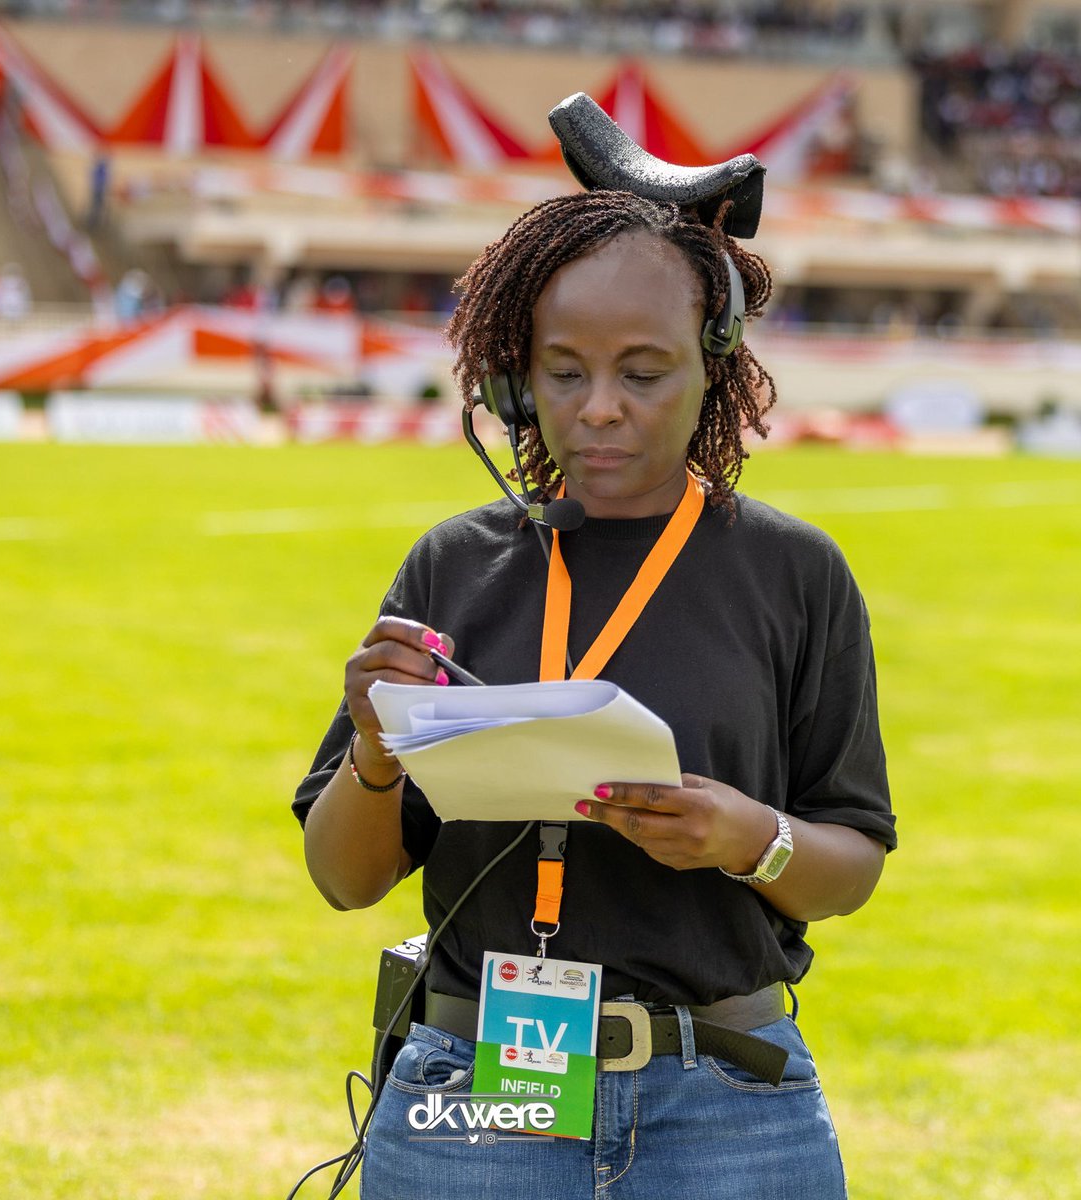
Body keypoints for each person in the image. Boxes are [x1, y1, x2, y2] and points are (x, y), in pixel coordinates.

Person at [293, 189, 896, 1199]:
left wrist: (750, 839)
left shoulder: (796, 575)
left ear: (716, 364)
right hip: (477, 1101)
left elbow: (852, 864)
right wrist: (373, 751)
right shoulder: (453, 566)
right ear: (517, 383)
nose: (601, 407)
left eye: (644, 372)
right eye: (563, 373)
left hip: (726, 1107)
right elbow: (344, 879)